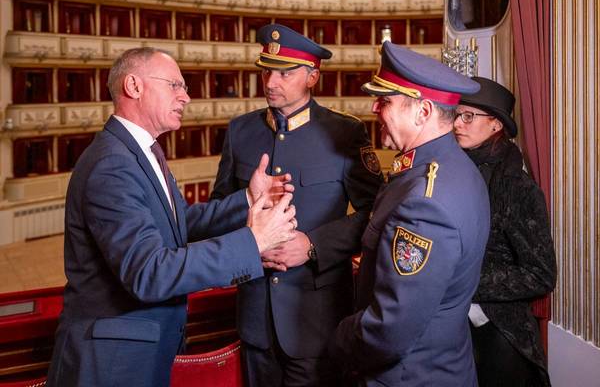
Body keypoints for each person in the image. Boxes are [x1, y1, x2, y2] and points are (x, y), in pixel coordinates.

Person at [46, 47, 298, 387]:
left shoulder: (141, 151)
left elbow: (181, 224)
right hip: (111, 362)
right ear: (134, 86)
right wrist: (253, 243)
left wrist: (249, 199)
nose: (186, 97)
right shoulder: (112, 164)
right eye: (175, 85)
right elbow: (149, 272)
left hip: (138, 351)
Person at [210, 24, 382, 386]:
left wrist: (313, 245)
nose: (271, 82)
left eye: (285, 73)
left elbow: (376, 214)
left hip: (317, 320)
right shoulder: (240, 131)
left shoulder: (344, 133)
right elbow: (218, 209)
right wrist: (249, 243)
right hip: (256, 319)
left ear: (312, 77)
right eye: (266, 71)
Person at [329, 41, 490, 386]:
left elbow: (389, 330)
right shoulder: (452, 168)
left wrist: (340, 337)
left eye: (386, 101)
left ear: (423, 112)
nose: (374, 107)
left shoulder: (426, 201)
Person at [454, 76, 557, 387]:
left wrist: (466, 284)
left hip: (499, 334)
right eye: (456, 115)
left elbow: (541, 275)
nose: (457, 123)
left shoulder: (517, 187)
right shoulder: (448, 170)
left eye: (468, 116)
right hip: (450, 327)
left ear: (496, 125)